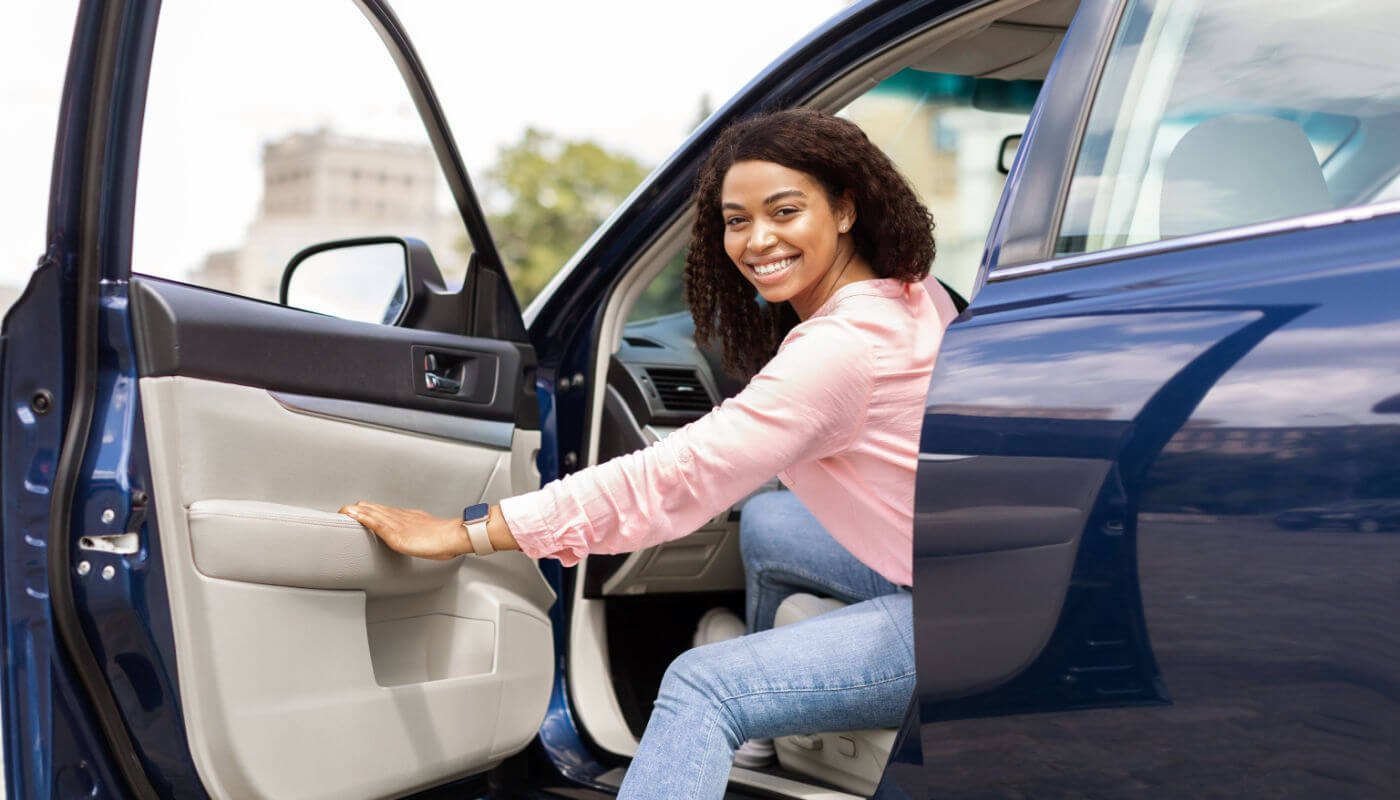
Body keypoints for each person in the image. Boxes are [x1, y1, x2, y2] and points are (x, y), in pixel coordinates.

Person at [342, 108, 959, 799]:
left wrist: (467, 531)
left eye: (785, 211)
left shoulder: (838, 351)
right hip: (950, 567)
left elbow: (672, 478)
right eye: (736, 220)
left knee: (701, 686)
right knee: (768, 526)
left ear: (845, 208)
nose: (758, 240)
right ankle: (766, 725)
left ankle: (741, 711)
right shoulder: (913, 293)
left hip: (951, 625)